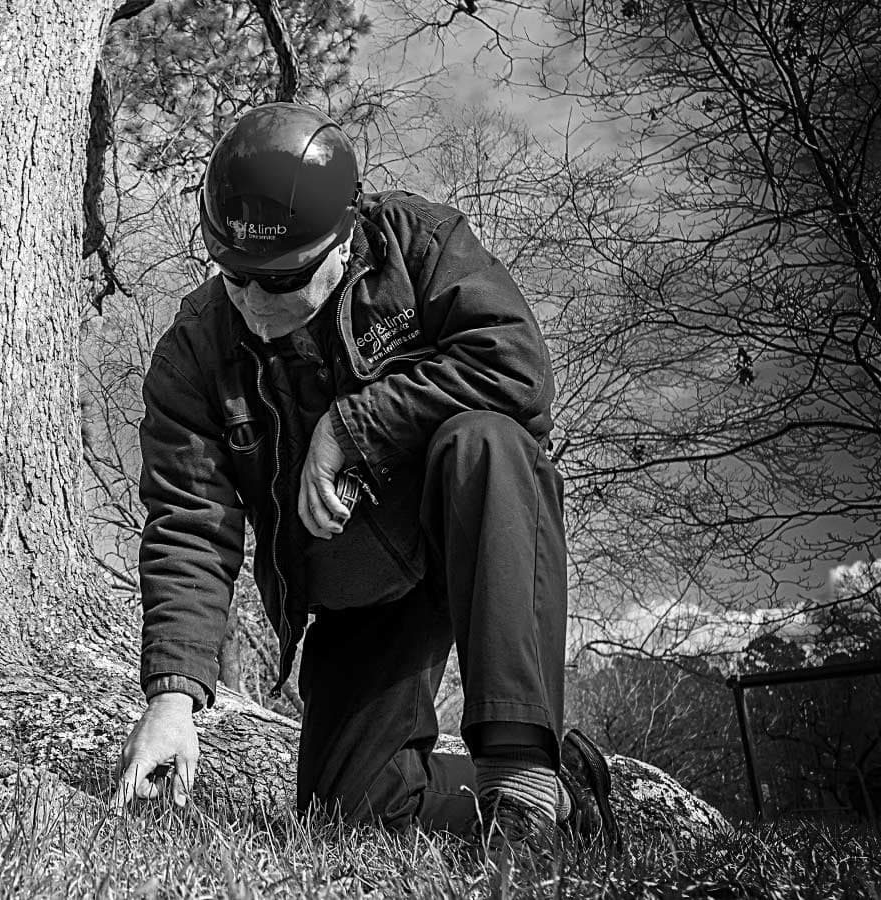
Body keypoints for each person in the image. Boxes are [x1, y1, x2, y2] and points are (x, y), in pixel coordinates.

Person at [111, 102, 620, 860]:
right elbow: (190, 522)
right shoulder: (193, 353)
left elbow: (514, 367)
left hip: (475, 527)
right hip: (360, 586)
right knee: (348, 812)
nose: (253, 304)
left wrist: (352, 426)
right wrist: (172, 697)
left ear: (345, 241)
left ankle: (522, 773)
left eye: (279, 281)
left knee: (485, 439)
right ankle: (567, 794)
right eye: (236, 277)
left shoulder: (420, 245)